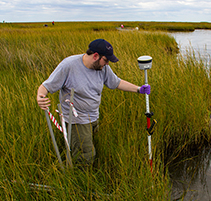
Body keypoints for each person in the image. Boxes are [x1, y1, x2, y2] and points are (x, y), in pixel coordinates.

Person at [37, 39, 150, 167]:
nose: (107, 64)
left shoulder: (102, 68)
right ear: (95, 56)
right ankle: (80, 182)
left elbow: (116, 82)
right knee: (85, 156)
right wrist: (41, 97)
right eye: (106, 60)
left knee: (91, 150)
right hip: (77, 120)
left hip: (94, 116)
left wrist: (138, 89)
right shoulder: (69, 65)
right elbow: (46, 86)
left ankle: (86, 173)